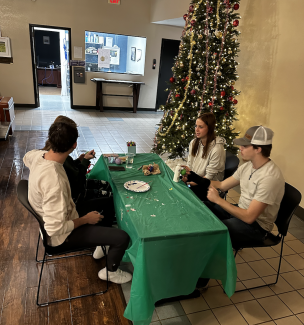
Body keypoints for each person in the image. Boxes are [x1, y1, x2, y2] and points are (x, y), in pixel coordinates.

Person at [24, 122, 132, 284]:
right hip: (60, 237)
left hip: (64, 215)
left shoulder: (37, 156)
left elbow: (26, 157)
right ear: (74, 145)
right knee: (122, 237)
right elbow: (54, 229)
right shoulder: (55, 181)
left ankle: (101, 245)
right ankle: (111, 272)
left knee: (108, 202)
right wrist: (85, 220)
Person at [183, 126, 285, 288]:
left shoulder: (269, 178)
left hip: (256, 227)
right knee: (203, 209)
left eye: (245, 146)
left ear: (258, 149)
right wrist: (197, 178)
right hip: (240, 212)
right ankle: (192, 262)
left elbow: (249, 217)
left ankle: (198, 283)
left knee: (212, 232)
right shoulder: (248, 166)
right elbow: (222, 185)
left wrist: (219, 201)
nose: (240, 149)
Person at [183, 112, 226, 201]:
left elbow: (207, 179)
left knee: (184, 193)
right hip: (195, 179)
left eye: (201, 127)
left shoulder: (217, 149)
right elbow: (190, 165)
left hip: (208, 186)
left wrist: (188, 184)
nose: (196, 130)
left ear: (209, 128)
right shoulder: (194, 143)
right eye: (196, 126)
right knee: (175, 184)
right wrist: (186, 177)